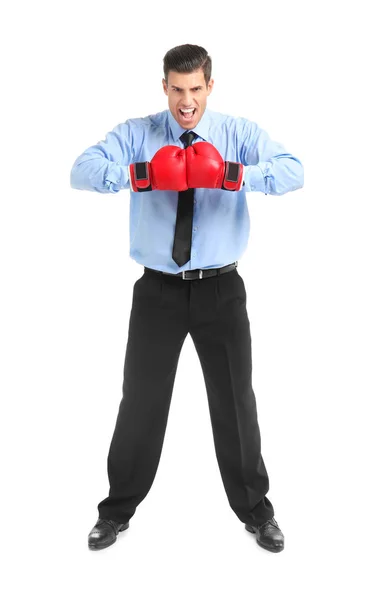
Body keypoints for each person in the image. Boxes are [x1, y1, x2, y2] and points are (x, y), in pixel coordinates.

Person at [70, 43, 304, 553]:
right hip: (157, 291)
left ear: (209, 86)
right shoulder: (137, 133)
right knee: (141, 404)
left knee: (236, 403)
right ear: (164, 87)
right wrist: (143, 174)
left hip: (222, 288)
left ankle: (257, 512)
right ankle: (115, 513)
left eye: (195, 89)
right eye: (177, 89)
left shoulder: (238, 133)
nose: (186, 101)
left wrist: (232, 175)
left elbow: (293, 170)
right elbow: (81, 169)